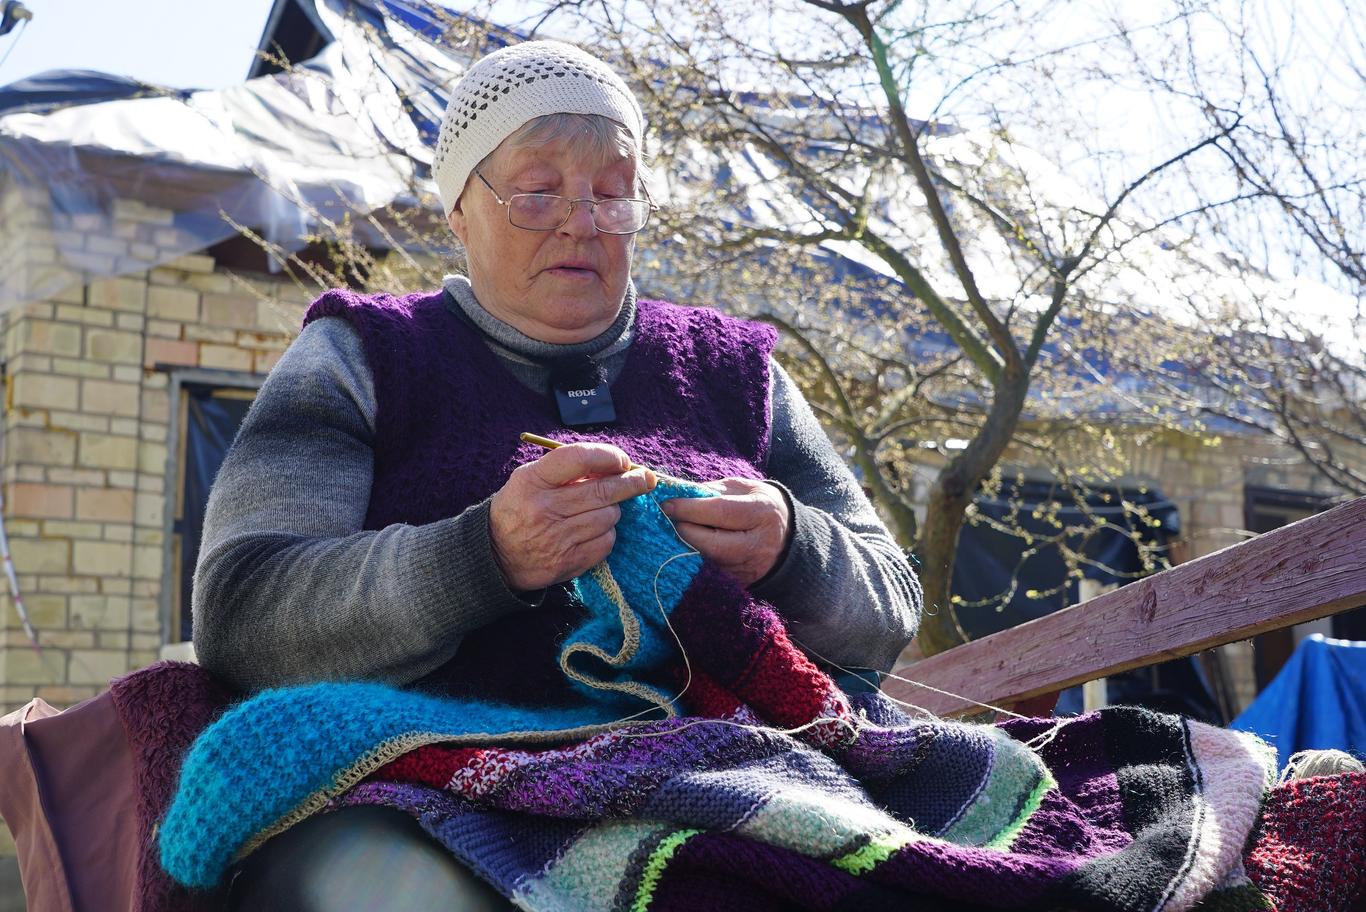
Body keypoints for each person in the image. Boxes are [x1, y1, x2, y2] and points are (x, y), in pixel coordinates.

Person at [193, 39, 921, 912]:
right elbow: (243, 614)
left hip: (738, 790)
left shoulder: (737, 372)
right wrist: (481, 559)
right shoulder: (362, 358)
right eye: (537, 190)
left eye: (612, 193)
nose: (580, 222)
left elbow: (892, 604)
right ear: (460, 210)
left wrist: (791, 548)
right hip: (426, 800)